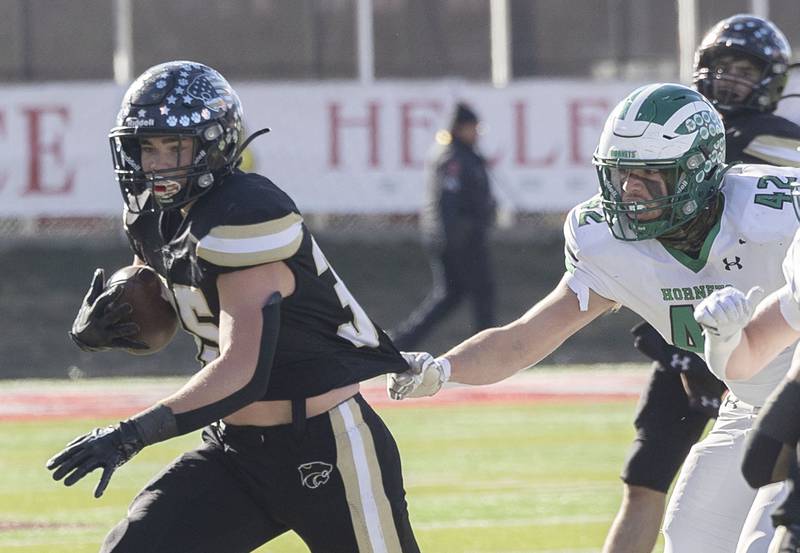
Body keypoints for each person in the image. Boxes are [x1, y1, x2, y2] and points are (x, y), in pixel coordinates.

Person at [387, 82, 800, 553]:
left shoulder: (779, 211)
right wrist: (444, 369)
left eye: (648, 173)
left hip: (794, 394)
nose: (629, 190)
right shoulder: (607, 242)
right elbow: (525, 337)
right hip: (748, 406)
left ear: (698, 170)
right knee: (691, 539)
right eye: (621, 174)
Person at [47, 61, 420, 553]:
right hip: (235, 450)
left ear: (213, 144)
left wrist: (131, 434)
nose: (157, 164)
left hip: (325, 445)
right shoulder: (150, 213)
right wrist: (109, 324)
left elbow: (243, 370)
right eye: (147, 147)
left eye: (173, 146)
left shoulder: (246, 214)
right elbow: (163, 290)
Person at [602, 14, 800, 553]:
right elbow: (658, 253)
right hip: (692, 332)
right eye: (722, 66)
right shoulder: (671, 137)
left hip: (775, 337)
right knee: (652, 484)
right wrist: (667, 338)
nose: (731, 78)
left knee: (771, 514)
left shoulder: (782, 151)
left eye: (745, 69)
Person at [391, 102, 496, 350]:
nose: (476, 133)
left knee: (452, 295)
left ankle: (402, 340)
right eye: (473, 128)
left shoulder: (463, 154)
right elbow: (449, 202)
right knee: (480, 292)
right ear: (461, 128)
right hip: (460, 240)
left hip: (462, 237)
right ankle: (487, 348)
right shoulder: (452, 158)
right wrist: (460, 235)